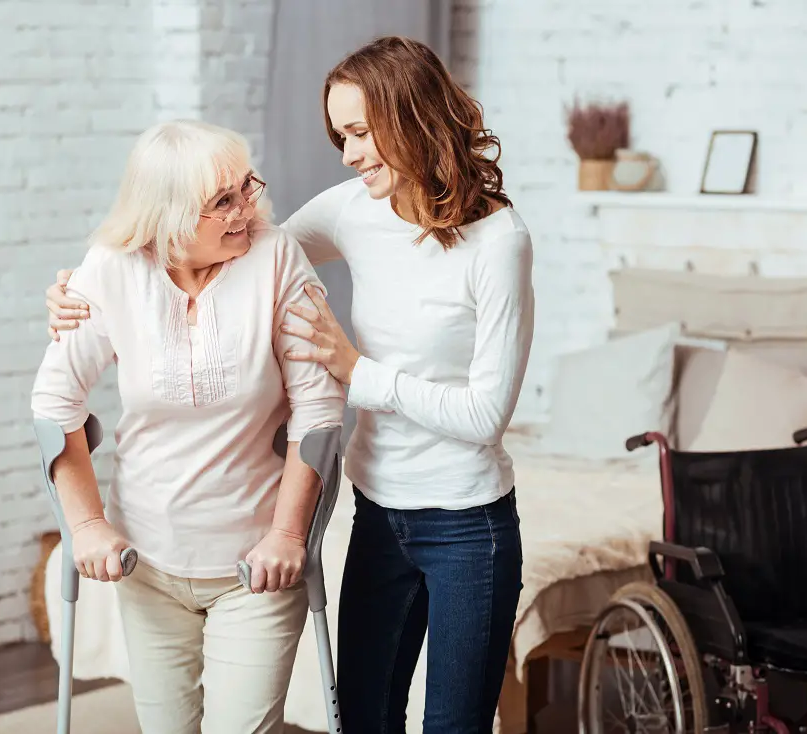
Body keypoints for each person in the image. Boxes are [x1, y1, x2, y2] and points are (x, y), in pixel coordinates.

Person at [43, 35, 534, 732]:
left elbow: (485, 415)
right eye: (341, 135)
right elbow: (245, 250)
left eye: (361, 132)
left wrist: (357, 371)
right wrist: (87, 289)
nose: (349, 154)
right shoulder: (356, 208)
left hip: (467, 522)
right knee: (365, 717)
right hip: (379, 512)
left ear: (413, 117)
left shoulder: (500, 242)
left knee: (453, 724)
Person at [31, 119, 345, 734]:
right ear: (168, 216)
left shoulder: (276, 256)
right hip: (145, 561)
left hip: (255, 566)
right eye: (222, 202)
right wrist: (88, 525)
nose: (246, 212)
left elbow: (318, 409)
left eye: (246, 189)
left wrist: (287, 536)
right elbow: (54, 401)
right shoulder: (111, 270)